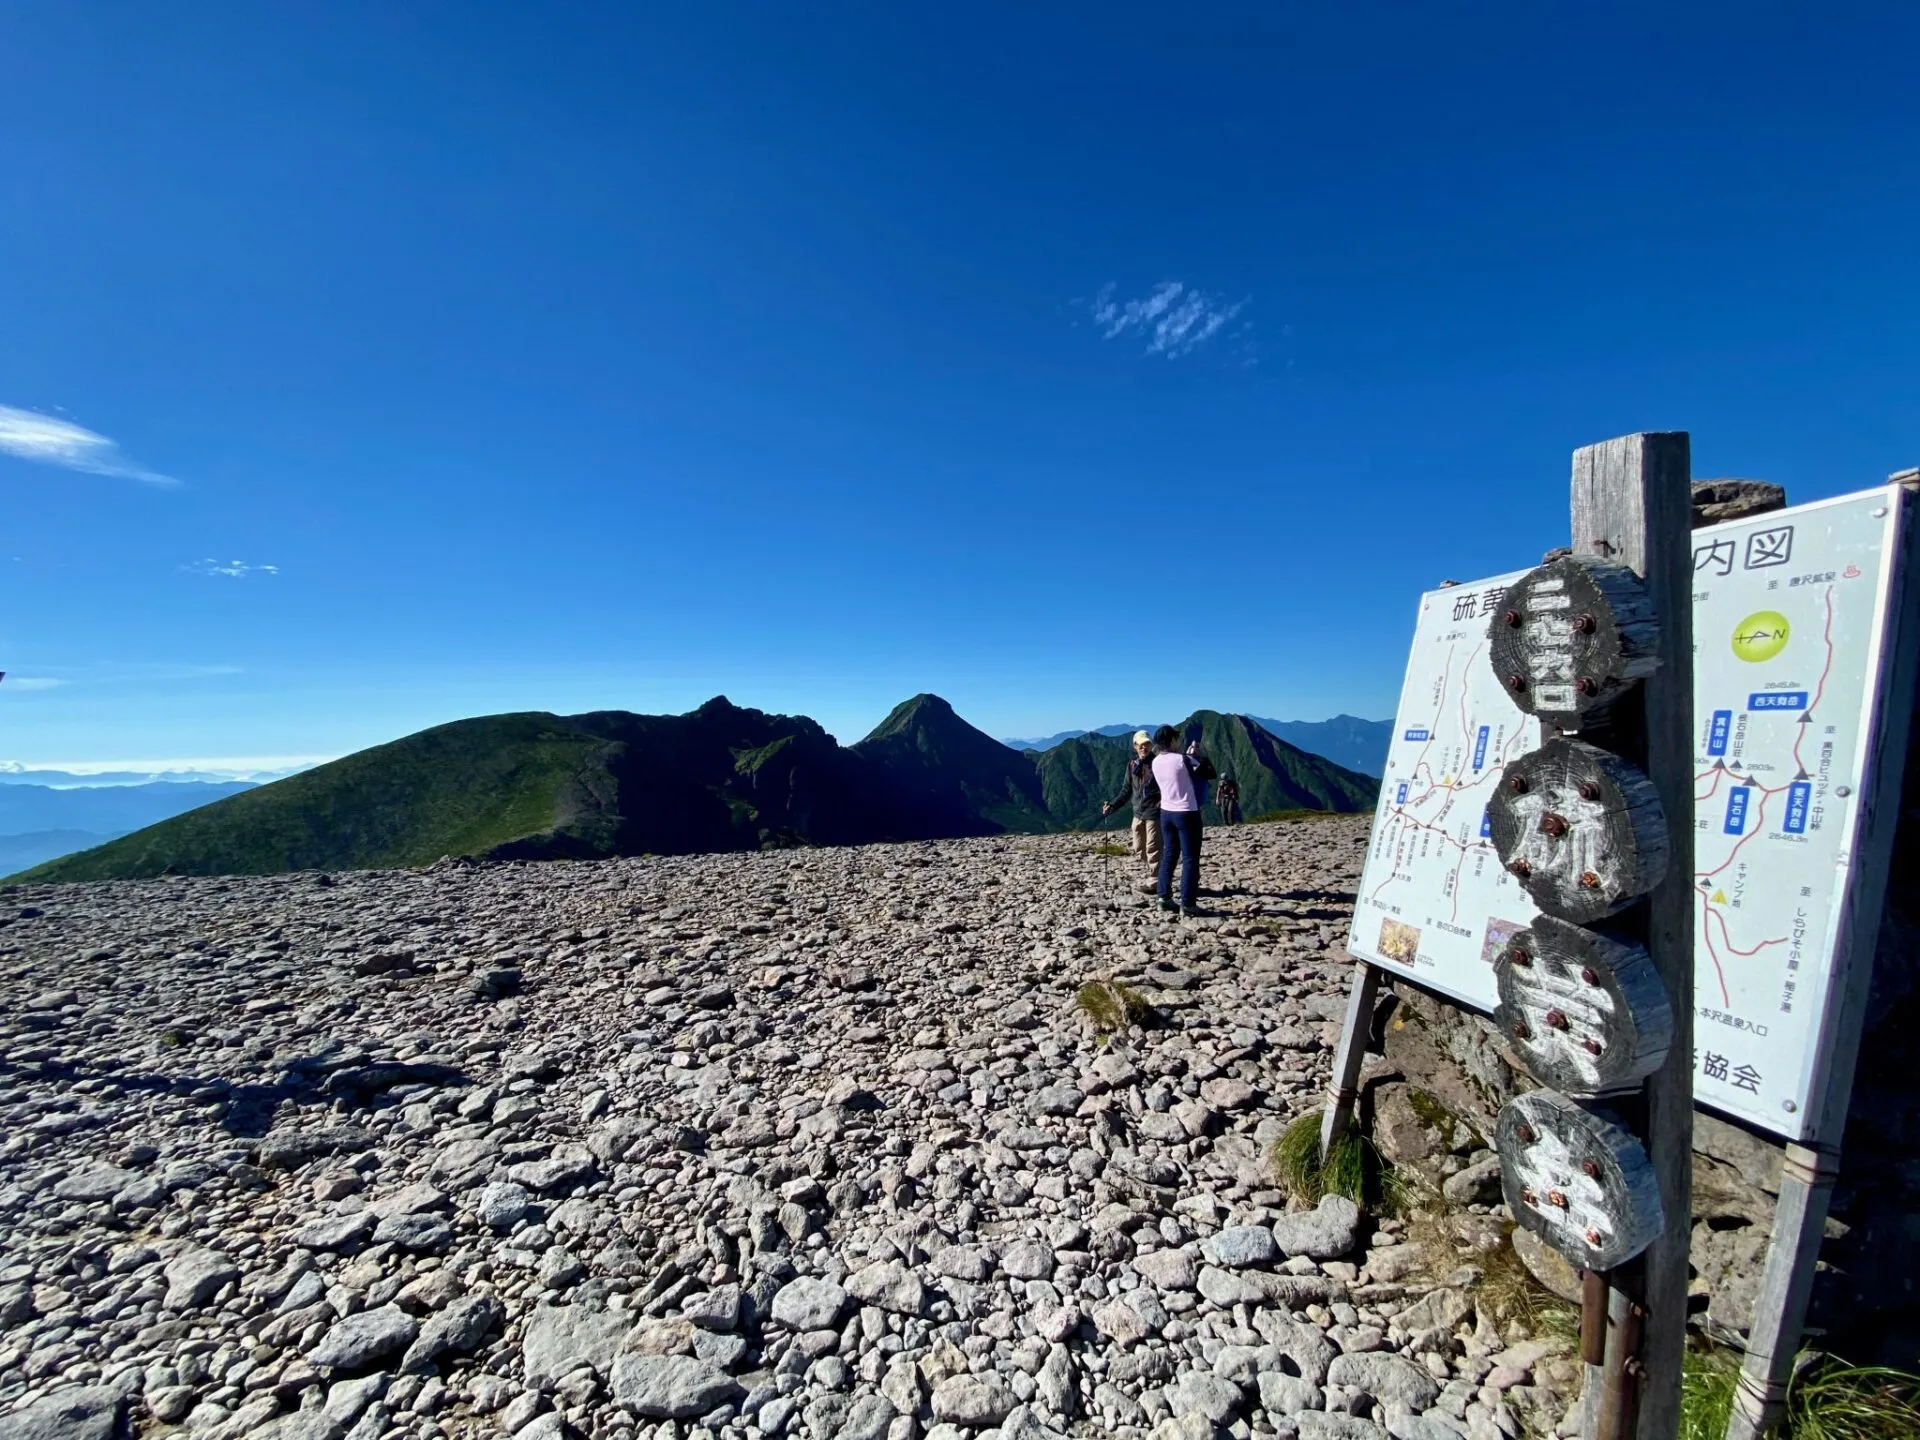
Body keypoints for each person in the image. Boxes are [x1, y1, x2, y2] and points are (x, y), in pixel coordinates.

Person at [1150, 724, 1217, 916]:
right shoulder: (1183, 759)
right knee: (1190, 858)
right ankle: (1187, 904)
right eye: (1176, 739)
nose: (1178, 742)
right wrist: (1198, 756)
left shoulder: (1155, 762)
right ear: (1171, 740)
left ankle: (1163, 898)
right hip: (1187, 812)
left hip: (1166, 813)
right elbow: (1209, 773)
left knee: (1169, 855)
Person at [1100, 731, 1161, 881]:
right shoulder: (1132, 765)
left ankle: (1156, 879)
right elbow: (1126, 790)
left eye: (1147, 744)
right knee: (1139, 849)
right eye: (1141, 745)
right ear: (1135, 746)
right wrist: (1113, 806)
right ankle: (1160, 870)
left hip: (1154, 812)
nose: (1144, 748)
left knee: (1153, 847)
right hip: (1138, 812)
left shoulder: (1158, 763)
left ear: (1151, 745)